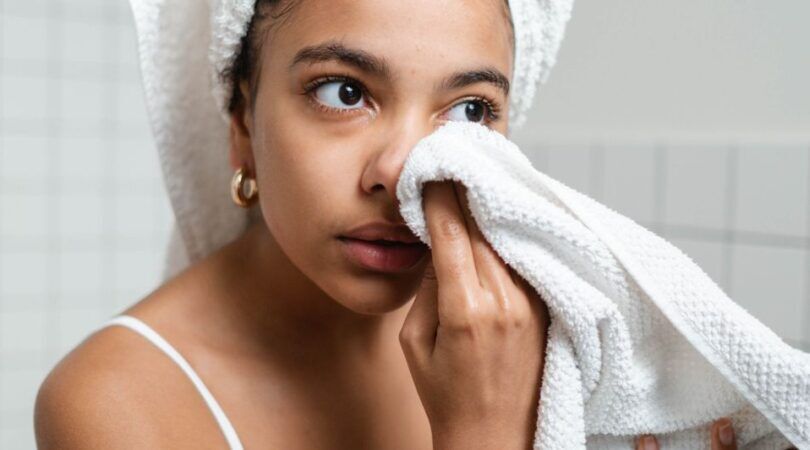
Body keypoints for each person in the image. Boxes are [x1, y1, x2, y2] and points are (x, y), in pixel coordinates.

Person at [33, 1, 742, 448]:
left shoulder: (520, 337)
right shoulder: (115, 403)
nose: (406, 172)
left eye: (469, 110)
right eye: (344, 92)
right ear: (243, 123)